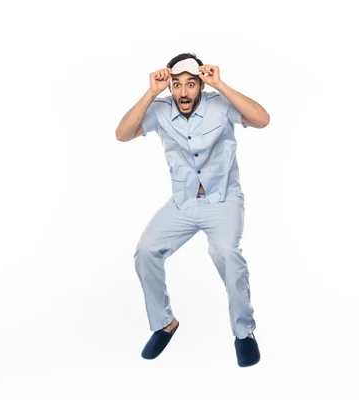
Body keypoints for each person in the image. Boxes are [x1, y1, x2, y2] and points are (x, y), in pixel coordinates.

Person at [115, 52, 270, 367]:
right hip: (183, 202)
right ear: (169, 87)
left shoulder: (219, 105)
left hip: (224, 199)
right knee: (145, 251)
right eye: (176, 85)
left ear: (201, 84)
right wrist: (150, 92)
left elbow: (262, 120)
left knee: (226, 254)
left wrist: (221, 84)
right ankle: (164, 323)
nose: (183, 92)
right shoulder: (160, 110)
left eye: (190, 84)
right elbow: (122, 135)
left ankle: (244, 332)